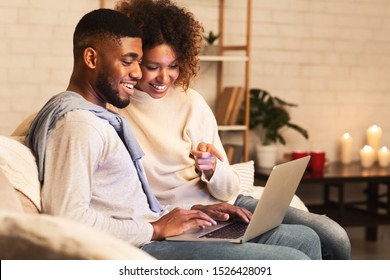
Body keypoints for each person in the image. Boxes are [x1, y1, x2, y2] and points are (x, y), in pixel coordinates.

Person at [25, 8, 322, 260]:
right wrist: (156, 228)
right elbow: (66, 218)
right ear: (91, 58)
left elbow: (134, 204)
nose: (139, 74)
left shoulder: (100, 119)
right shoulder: (80, 124)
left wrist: (192, 209)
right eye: (131, 62)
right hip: (144, 243)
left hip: (163, 223)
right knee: (293, 259)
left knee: (309, 240)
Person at [113, 0, 351, 259]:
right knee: (300, 247)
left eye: (173, 66)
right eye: (153, 67)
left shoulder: (191, 102)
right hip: (188, 214)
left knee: (333, 236)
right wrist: (195, 208)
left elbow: (227, 189)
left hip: (227, 202)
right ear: (133, 61)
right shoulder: (117, 109)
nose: (164, 78)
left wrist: (213, 169)